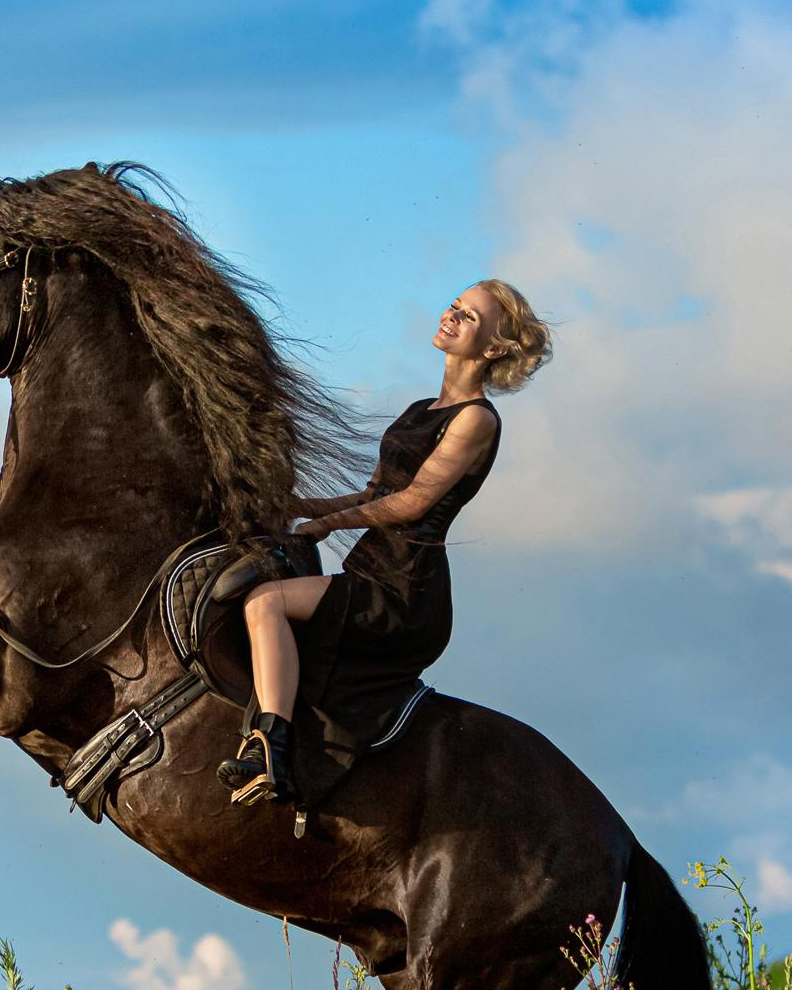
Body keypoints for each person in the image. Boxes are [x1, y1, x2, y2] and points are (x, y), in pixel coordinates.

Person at [216, 279, 551, 807]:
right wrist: (296, 507)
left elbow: (414, 501)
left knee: (265, 601)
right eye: (454, 305)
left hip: (405, 587)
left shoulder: (477, 420)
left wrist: (329, 526)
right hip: (373, 568)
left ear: (492, 349)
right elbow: (376, 493)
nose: (451, 315)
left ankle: (269, 751)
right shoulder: (420, 410)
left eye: (468, 316)